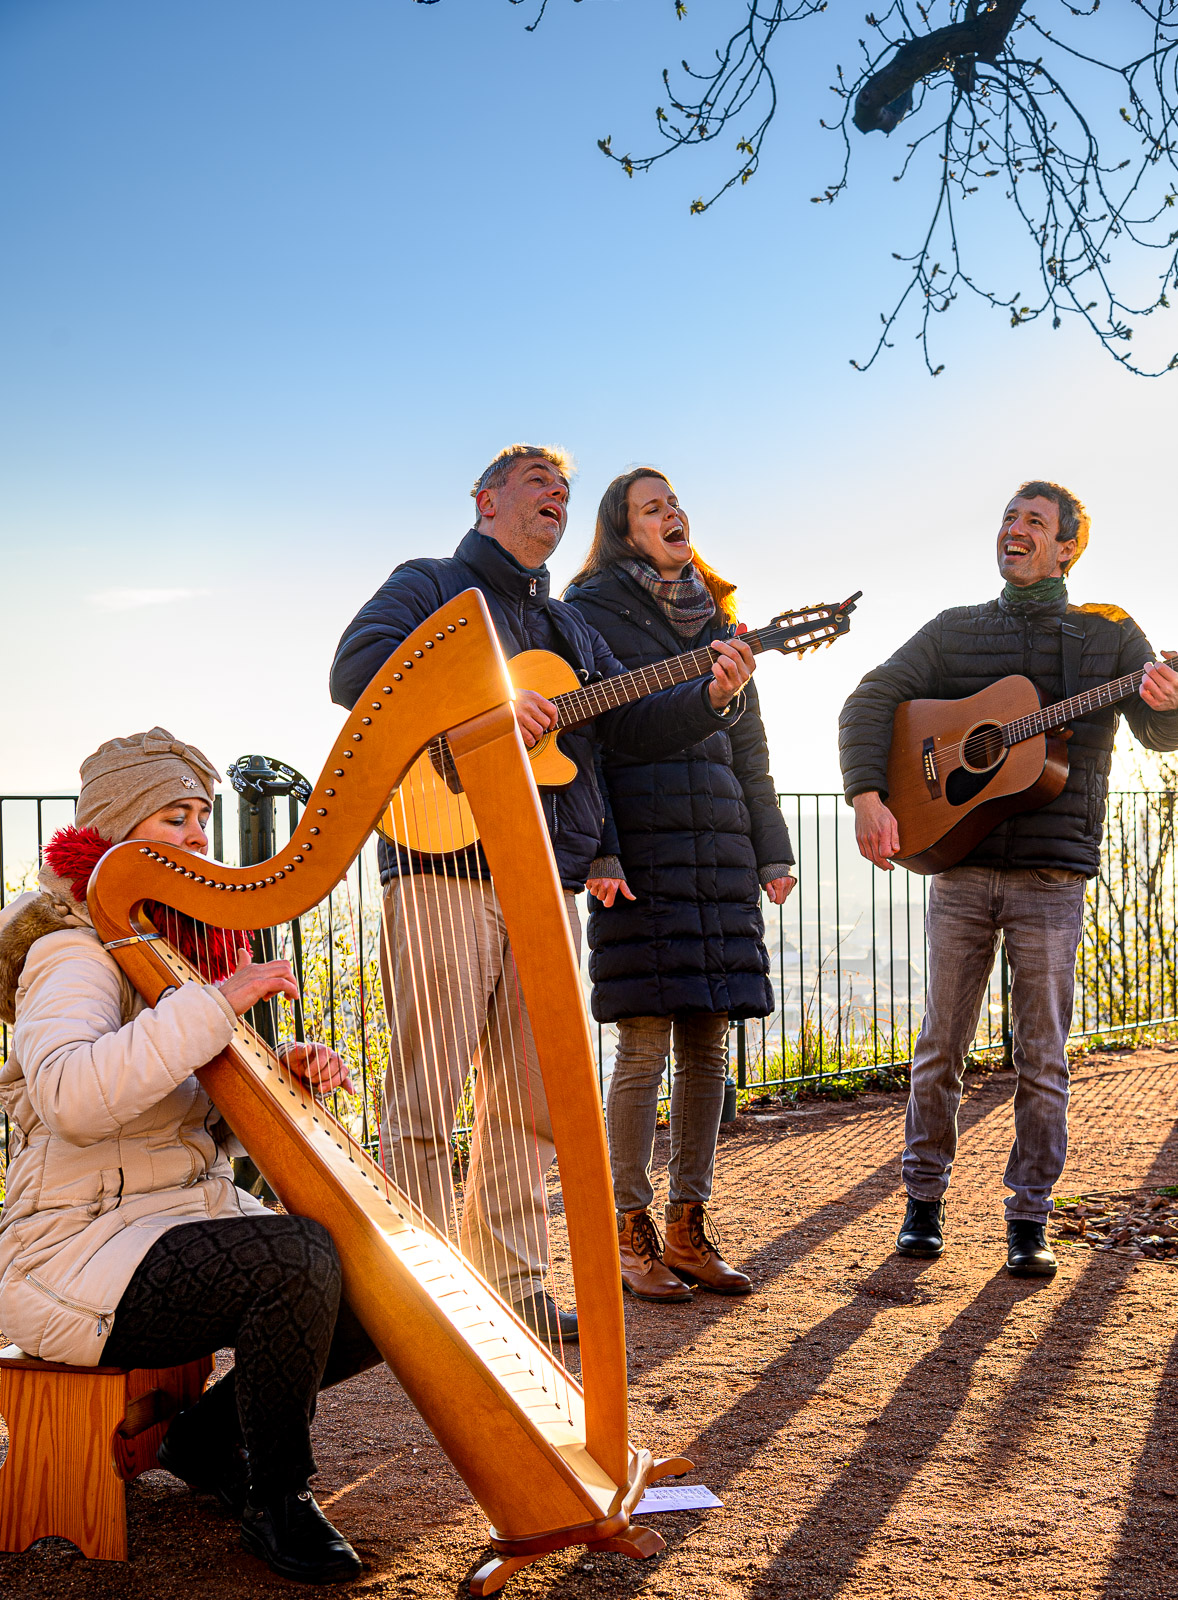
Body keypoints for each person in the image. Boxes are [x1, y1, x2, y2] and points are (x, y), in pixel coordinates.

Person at [329, 444, 755, 1344]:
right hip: (440, 863)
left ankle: (513, 1290)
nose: (557, 496)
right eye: (537, 484)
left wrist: (709, 697)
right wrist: (480, 703)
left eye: (563, 489)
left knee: (528, 1102)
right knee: (425, 1094)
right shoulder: (430, 584)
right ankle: (419, 1299)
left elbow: (630, 727)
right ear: (486, 501)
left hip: (542, 873)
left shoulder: (566, 627)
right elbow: (355, 669)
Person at [0, 729, 381, 1584]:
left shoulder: (175, 951)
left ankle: (201, 1443)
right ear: (118, 833)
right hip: (73, 1249)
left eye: (202, 818)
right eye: (177, 819)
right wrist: (216, 1008)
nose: (200, 840)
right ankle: (276, 1500)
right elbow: (70, 1097)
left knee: (375, 1271)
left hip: (171, 1222)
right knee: (297, 1259)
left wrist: (282, 1076)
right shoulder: (71, 953)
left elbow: (195, 1116)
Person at [839, 482, 1178, 1276]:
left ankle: (1030, 1217)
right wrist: (866, 796)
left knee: (1043, 1057)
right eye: (1008, 518)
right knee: (939, 1049)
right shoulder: (955, 631)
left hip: (1052, 877)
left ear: (1067, 548)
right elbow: (871, 698)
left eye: (1035, 522)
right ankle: (923, 1205)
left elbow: (1160, 731)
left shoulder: (1109, 634)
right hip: (957, 868)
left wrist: (1171, 703)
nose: (1014, 530)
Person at [564, 468, 796, 1302]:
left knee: (710, 1044)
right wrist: (601, 850)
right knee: (644, 1040)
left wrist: (770, 848)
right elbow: (593, 742)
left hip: (721, 848)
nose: (674, 514)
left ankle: (690, 1229)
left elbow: (753, 750)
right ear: (622, 528)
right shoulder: (587, 612)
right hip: (641, 849)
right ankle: (630, 1232)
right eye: (652, 506)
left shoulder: (722, 620)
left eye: (676, 503)